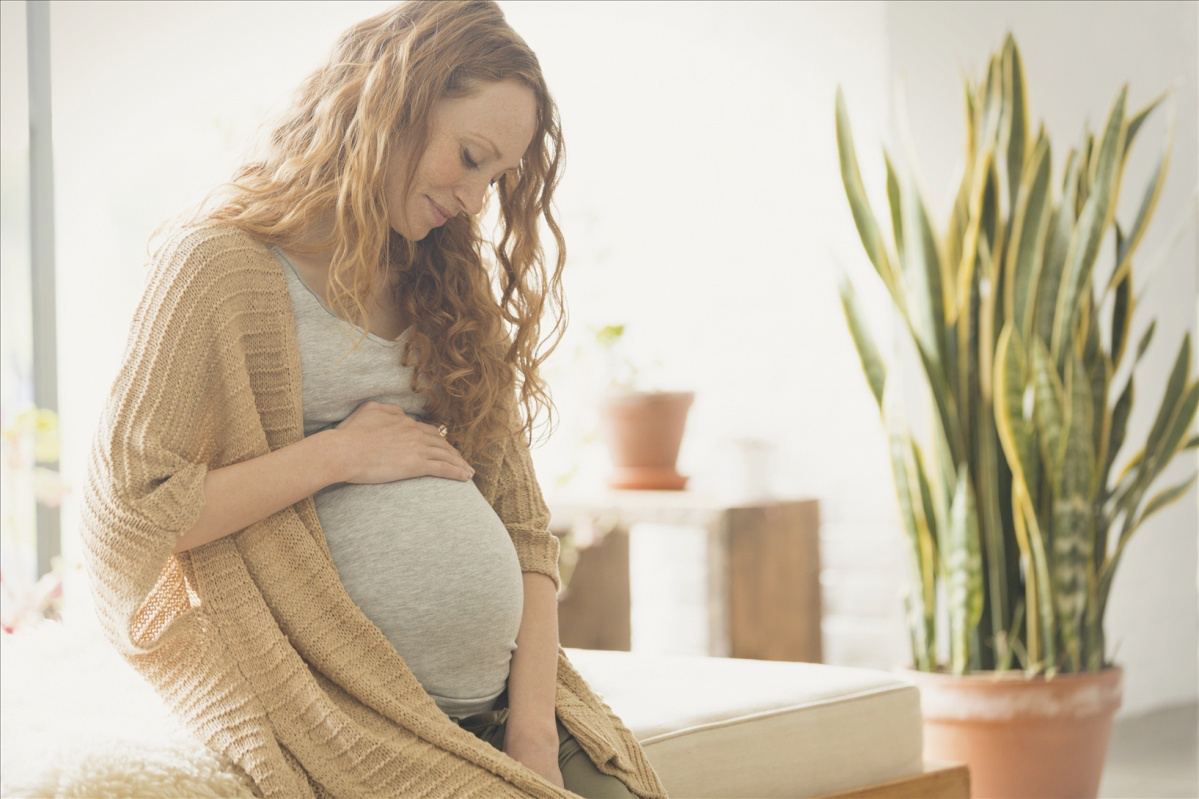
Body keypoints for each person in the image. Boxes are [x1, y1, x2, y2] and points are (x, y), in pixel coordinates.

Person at [79, 2, 667, 797]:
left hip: (506, 714)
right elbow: (130, 521)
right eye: (467, 156)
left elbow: (525, 530)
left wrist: (532, 736)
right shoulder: (217, 268)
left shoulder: (448, 288)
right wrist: (338, 454)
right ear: (393, 101)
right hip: (343, 716)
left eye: (493, 177)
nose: (471, 197)